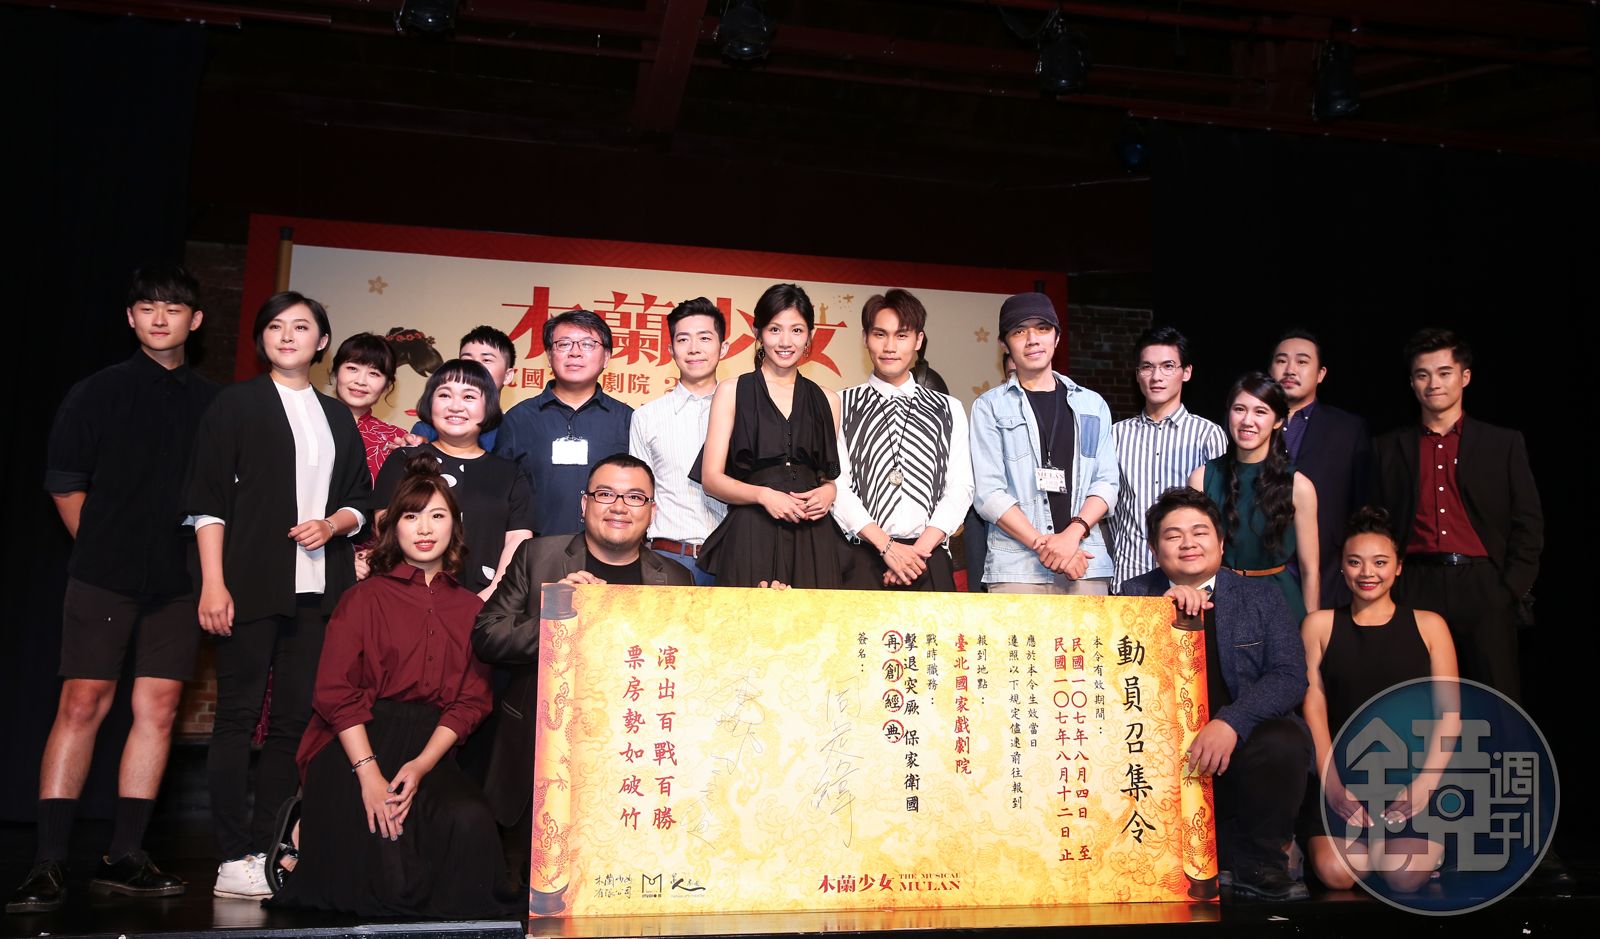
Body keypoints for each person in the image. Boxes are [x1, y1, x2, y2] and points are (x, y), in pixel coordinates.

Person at [8, 265, 217, 914]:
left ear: (195, 321)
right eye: (147, 307)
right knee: (82, 703)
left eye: (173, 308)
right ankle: (47, 860)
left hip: (180, 579)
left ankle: (125, 854)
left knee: (159, 709)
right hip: (104, 574)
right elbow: (65, 482)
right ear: (131, 318)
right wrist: (101, 549)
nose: (160, 317)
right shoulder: (95, 392)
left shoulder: (214, 403)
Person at [269, 457, 518, 917]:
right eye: (411, 515)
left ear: (454, 526)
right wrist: (368, 776)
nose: (424, 528)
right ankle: (303, 824)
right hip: (354, 741)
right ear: (392, 527)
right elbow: (335, 693)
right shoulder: (362, 598)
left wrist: (421, 767)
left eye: (437, 515)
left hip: (430, 746)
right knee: (386, 858)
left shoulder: (471, 609)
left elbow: (470, 702)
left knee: (470, 823)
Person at [187, 291, 372, 900]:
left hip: (319, 590)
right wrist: (213, 582)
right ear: (261, 338)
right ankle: (229, 852)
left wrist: (332, 525)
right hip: (248, 582)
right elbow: (208, 500)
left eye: (301, 326)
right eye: (275, 326)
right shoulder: (235, 403)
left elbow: (360, 501)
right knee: (237, 717)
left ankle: (268, 848)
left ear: (322, 342)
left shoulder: (336, 414)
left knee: (293, 723)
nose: (287, 336)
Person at [473, 454, 694, 881]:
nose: (619, 506)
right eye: (605, 494)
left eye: (635, 497)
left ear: (652, 510)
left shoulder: (674, 578)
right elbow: (487, 636)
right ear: (584, 503)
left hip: (630, 760)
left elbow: (689, 664)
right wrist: (555, 615)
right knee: (531, 889)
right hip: (543, 761)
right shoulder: (538, 556)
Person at [1121, 488, 1312, 902]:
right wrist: (1157, 616)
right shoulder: (1132, 596)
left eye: (1199, 532)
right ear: (1154, 550)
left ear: (1221, 543)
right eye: (1173, 535)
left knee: (1285, 740)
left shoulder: (1260, 595)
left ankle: (1258, 863)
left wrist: (1230, 722)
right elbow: (1117, 682)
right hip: (1158, 750)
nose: (1188, 543)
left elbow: (1290, 676)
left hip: (1240, 751)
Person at [1374, 329, 1541, 702]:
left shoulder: (1502, 443)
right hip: (1415, 583)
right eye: (1422, 374)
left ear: (1465, 377)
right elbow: (1377, 521)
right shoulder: (1387, 448)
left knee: (1496, 698)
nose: (1433, 383)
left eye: (1444, 372)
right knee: (1417, 698)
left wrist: (1508, 589)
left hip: (1483, 584)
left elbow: (1528, 523)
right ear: (1412, 382)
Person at [1300, 507, 1456, 894]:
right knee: (1337, 873)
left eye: (1380, 562)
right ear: (1342, 567)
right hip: (1343, 779)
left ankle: (1421, 849)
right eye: (1355, 562)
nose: (1367, 572)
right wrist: (1332, 786)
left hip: (1412, 781)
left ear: (1398, 567)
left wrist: (1425, 785)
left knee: (1401, 875)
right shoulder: (1319, 625)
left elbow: (1450, 714)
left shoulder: (1430, 625)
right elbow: (1314, 711)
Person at [693, 283, 850, 587]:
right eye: (775, 329)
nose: (785, 341)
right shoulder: (732, 391)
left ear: (810, 336)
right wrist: (763, 495)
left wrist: (828, 492)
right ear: (758, 332)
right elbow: (711, 479)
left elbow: (827, 476)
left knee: (813, 617)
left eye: (797, 330)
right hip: (752, 533)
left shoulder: (828, 400)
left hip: (812, 535)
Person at [969, 292, 1118, 594]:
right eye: (1019, 331)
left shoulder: (1092, 405)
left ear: (1057, 337)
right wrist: (1048, 547)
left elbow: (1106, 483)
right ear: (1004, 344)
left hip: (1086, 562)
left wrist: (1071, 536)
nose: (1032, 339)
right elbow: (989, 493)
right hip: (1018, 568)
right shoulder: (989, 407)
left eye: (1042, 328)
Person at [833, 289, 973, 590]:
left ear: (918, 341)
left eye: (901, 336)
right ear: (865, 338)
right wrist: (887, 547)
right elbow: (837, 486)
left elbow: (961, 487)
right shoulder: (840, 405)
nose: (889, 347)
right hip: (862, 558)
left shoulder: (948, 409)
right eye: (879, 334)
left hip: (929, 556)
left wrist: (916, 553)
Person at [375, 359, 533, 599]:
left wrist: (491, 595)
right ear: (430, 402)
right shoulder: (405, 460)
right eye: (444, 395)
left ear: (489, 406)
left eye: (469, 397)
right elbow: (386, 528)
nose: (455, 406)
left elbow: (517, 540)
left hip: (487, 601)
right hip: (409, 598)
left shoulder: (509, 472)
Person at [1189, 373, 1320, 623]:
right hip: (1220, 599)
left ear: (1278, 420)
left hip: (1280, 603)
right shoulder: (1202, 478)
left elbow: (1310, 570)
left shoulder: (1299, 486)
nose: (1247, 421)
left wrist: (1313, 628)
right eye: (1239, 409)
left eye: (1260, 412)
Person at [1109, 326, 1227, 590]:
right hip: (1130, 575)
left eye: (1168, 366)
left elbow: (1216, 512)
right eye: (1147, 367)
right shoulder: (1116, 435)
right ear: (1137, 374)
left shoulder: (1208, 435)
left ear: (1186, 372)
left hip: (1191, 581)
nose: (1156, 377)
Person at [495, 310, 632, 537]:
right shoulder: (519, 419)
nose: (575, 352)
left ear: (607, 357)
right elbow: (500, 495)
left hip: (610, 549)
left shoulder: (628, 420)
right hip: (535, 549)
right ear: (549, 356)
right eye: (564, 344)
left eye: (587, 344)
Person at [628, 298, 729, 586]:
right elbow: (638, 494)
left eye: (705, 338)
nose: (694, 348)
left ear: (723, 348)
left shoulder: (745, 412)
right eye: (683, 339)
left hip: (730, 557)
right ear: (671, 350)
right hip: (667, 558)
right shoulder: (646, 417)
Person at [1268, 329, 1373, 608]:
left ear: (1321, 374)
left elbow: (1362, 504)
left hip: (1328, 572)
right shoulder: (1250, 423)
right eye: (1281, 361)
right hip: (1260, 572)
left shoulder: (1347, 429)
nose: (1290, 369)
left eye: (1302, 362)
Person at [410, 325, 517, 451]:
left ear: (507, 376)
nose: (475, 367)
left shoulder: (514, 432)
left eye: (486, 360)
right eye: (467, 360)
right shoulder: (427, 430)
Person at [330, 333, 408, 484]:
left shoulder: (397, 439)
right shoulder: (307, 421)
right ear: (336, 371)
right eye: (352, 368)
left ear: (386, 386)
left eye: (374, 373)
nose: (360, 381)